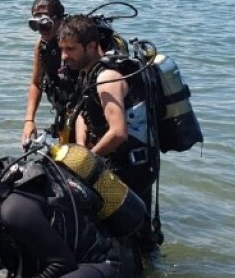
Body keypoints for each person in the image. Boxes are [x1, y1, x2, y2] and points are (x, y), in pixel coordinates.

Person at [58, 15, 162, 252]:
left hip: (132, 168)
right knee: (117, 235)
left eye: (71, 49)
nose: (64, 56)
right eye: (62, 49)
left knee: (130, 238)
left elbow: (118, 133)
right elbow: (83, 112)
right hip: (116, 162)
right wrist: (81, 148)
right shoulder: (89, 71)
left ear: (92, 46)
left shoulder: (107, 78)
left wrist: (86, 162)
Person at [21, 0, 76, 146]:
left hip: (83, 114)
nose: (41, 30)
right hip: (64, 113)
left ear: (59, 20)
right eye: (36, 24)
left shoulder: (75, 45)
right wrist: (29, 120)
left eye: (45, 23)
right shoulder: (42, 46)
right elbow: (36, 83)